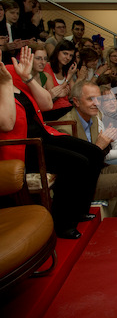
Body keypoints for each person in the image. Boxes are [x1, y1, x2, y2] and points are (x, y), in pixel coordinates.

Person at [0, 47, 102, 239]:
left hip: (43, 136)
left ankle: (80, 210)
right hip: (22, 148)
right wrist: (5, 84)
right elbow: (7, 124)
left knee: (95, 153)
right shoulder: (4, 81)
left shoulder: (12, 72)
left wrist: (28, 78)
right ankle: (62, 223)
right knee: (76, 162)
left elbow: (46, 104)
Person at [55, 80, 117, 216]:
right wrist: (99, 146)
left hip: (97, 168)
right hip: (82, 181)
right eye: (90, 99)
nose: (96, 103)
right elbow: (76, 170)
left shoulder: (94, 119)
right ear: (76, 102)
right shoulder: (65, 127)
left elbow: (112, 145)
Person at [42, 39, 77, 120]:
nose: (68, 58)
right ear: (57, 52)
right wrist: (68, 79)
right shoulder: (47, 67)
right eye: (65, 53)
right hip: (53, 111)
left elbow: (74, 93)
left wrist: (70, 76)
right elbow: (54, 93)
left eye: (71, 55)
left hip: (67, 108)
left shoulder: (67, 70)